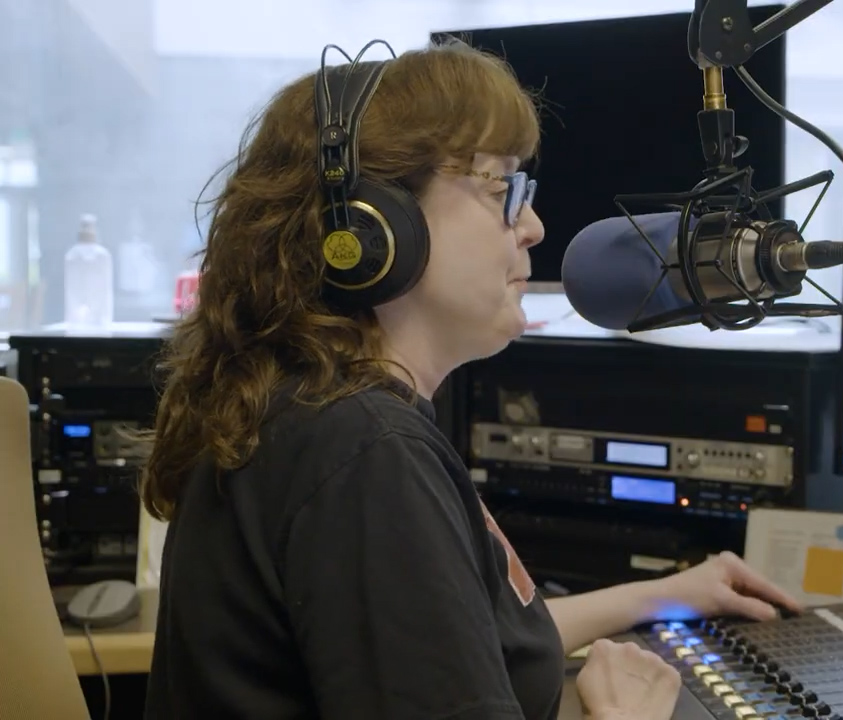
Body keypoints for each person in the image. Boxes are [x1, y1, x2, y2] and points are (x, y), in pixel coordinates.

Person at [138, 37, 801, 720]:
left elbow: (475, 645)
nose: (535, 227)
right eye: (501, 189)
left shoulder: (320, 411)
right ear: (373, 227)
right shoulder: (364, 454)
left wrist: (672, 592)